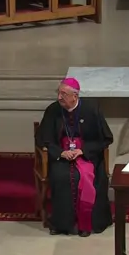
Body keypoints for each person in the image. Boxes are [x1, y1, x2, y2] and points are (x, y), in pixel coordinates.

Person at [35, 78, 113, 236]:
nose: (59, 97)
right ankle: (62, 224)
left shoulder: (92, 110)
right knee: (61, 176)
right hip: (62, 155)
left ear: (75, 97)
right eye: (58, 93)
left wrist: (83, 150)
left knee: (86, 177)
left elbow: (105, 139)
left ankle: (87, 224)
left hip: (87, 155)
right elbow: (43, 138)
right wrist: (60, 152)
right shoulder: (53, 110)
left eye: (63, 94)